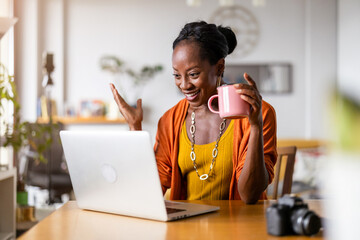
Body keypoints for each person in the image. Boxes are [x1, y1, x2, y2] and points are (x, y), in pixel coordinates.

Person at [110, 21, 277, 204]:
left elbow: (249, 195)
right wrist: (135, 128)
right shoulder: (170, 120)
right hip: (186, 227)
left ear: (219, 67)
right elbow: (150, 191)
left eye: (193, 74)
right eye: (177, 75)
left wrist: (255, 126)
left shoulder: (256, 113)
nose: (184, 85)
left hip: (240, 227)